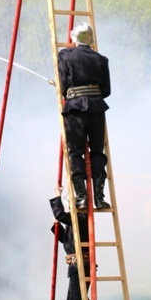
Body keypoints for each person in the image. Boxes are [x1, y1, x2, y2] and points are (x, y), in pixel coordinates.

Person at [57, 22, 111, 210]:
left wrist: (70, 94)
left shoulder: (65, 55)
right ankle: (98, 197)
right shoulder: (102, 59)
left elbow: (63, 83)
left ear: (73, 38)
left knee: (75, 152)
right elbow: (106, 90)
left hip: (75, 108)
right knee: (97, 152)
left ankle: (81, 197)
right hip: (97, 108)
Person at [49, 186, 90, 300]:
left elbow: (60, 214)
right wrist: (56, 227)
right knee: (72, 299)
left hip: (81, 263)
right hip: (76, 263)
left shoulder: (82, 217)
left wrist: (57, 196)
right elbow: (66, 241)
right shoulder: (76, 219)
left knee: (78, 299)